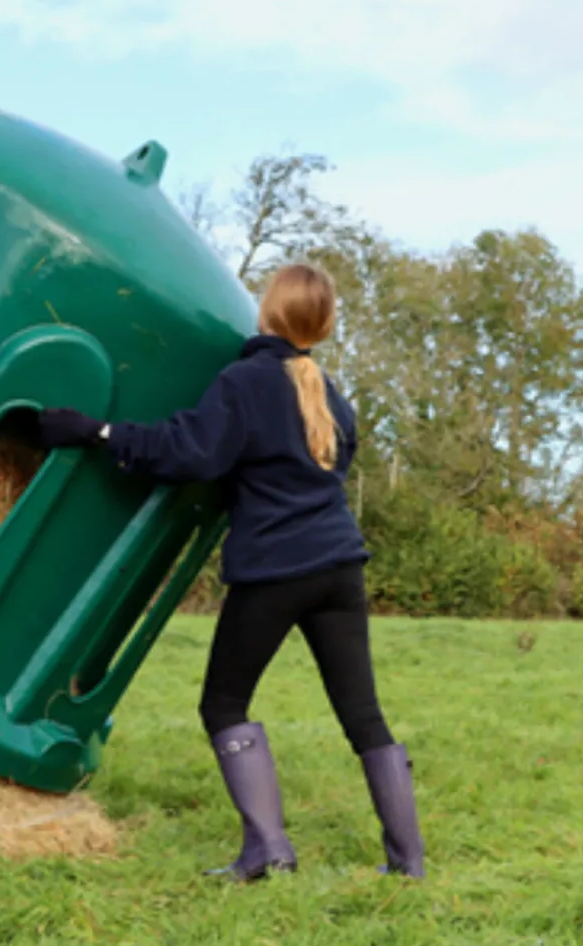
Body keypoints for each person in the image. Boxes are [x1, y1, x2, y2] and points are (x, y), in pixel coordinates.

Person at [38, 262, 424, 881]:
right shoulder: (332, 398)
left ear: (268, 312)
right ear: (321, 326)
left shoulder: (245, 382)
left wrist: (96, 430)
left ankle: (268, 851)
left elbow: (187, 452)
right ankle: (408, 865)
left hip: (276, 570)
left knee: (224, 704)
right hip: (340, 570)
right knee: (364, 716)